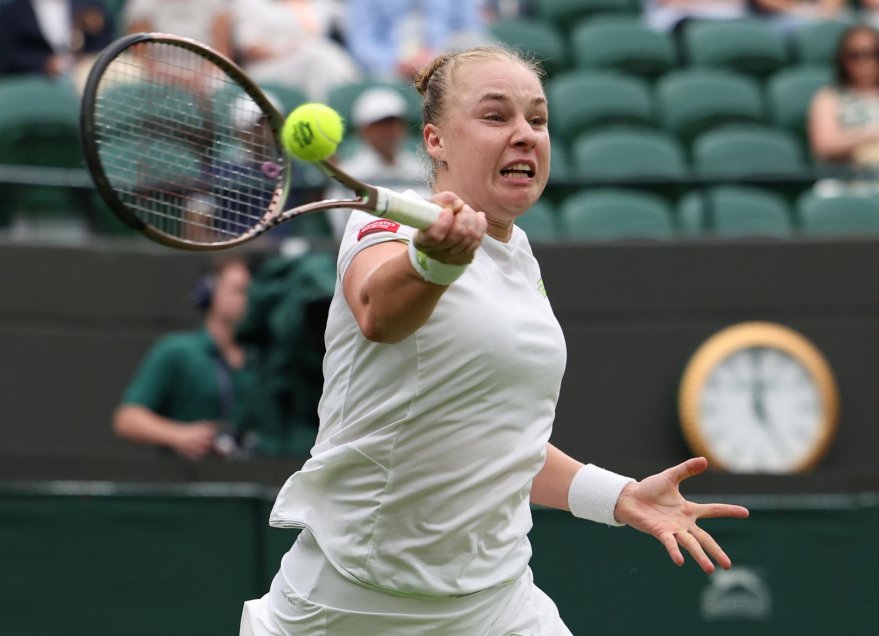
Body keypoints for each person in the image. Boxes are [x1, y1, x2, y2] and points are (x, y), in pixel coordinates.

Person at [240, 46, 749, 635]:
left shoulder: (519, 256)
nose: (525, 135)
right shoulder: (387, 226)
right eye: (495, 116)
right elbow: (379, 311)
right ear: (435, 140)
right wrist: (433, 264)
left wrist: (619, 497)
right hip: (356, 605)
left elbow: (501, 447)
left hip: (498, 603)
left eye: (537, 119)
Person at [113, 255, 260, 460]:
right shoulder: (177, 351)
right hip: (188, 477)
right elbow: (127, 418)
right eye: (238, 290)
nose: (247, 298)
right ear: (209, 292)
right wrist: (178, 435)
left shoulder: (262, 358)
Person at [326, 86, 430, 238]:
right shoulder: (347, 175)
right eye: (380, 125)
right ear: (364, 130)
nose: (389, 131)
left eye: (393, 123)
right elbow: (342, 229)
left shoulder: (422, 169)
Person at [232, 0, 359, 101]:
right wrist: (286, 50)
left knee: (325, 54)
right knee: (317, 57)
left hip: (317, 60)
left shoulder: (321, 4)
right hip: (266, 68)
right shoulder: (249, 3)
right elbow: (250, 48)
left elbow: (347, 20)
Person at [809, 24, 879, 196]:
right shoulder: (828, 97)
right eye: (855, 55)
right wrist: (872, 136)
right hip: (845, 181)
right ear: (843, 59)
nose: (865, 62)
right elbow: (825, 145)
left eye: (873, 53)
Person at [344, 0, 491, 80]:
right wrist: (396, 63)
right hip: (390, 72)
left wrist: (442, 57)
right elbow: (362, 41)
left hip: (448, 65)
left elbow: (471, 31)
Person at [0, 0, 114, 81]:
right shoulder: (13, 10)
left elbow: (104, 40)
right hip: (36, 80)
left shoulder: (89, 4)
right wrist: (44, 63)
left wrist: (85, 59)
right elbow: (10, 53)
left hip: (83, 75)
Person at [123, 0, 234, 59]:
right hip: (155, 73)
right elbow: (140, 54)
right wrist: (165, 76)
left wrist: (200, 78)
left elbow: (221, 53)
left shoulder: (215, 4)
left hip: (203, 78)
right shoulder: (143, 3)